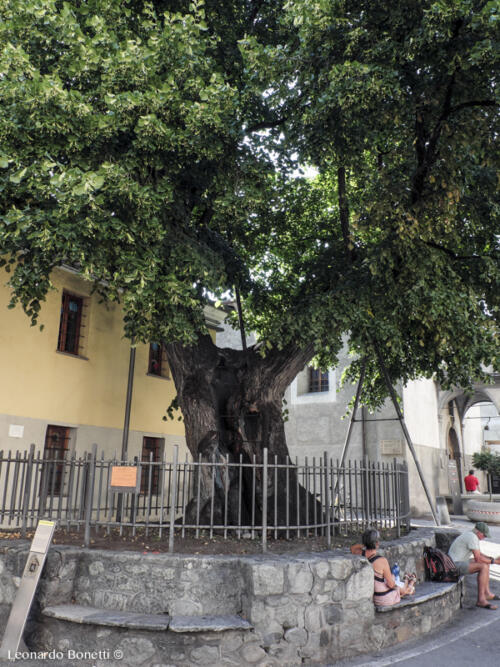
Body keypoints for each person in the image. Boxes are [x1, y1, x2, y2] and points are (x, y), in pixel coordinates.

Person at [351, 528, 415, 606]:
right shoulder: (382, 561)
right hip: (385, 598)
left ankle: (409, 581)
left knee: (398, 584)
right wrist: (395, 582)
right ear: (377, 543)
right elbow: (391, 584)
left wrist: (366, 543)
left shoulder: (361, 554)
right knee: (401, 586)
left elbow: (353, 548)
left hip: (376, 598)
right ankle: (409, 582)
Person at [448, 521, 500, 610]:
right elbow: (478, 559)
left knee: (485, 564)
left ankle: (487, 593)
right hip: (453, 566)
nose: (484, 538)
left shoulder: (470, 535)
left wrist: (491, 559)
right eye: (484, 535)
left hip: (457, 562)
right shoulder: (472, 537)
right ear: (478, 532)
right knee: (483, 566)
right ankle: (481, 600)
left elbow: (479, 554)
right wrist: (495, 562)